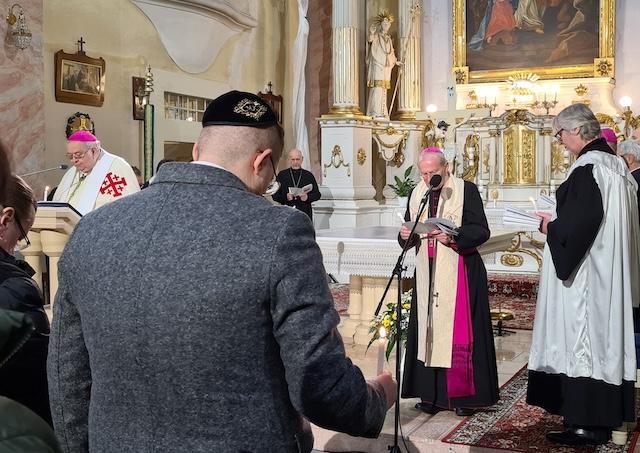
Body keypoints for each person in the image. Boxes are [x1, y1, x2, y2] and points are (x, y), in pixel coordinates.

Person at [48, 90, 395, 453]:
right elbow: (319, 385)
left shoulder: (92, 229)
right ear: (262, 162)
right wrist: (375, 398)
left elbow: (66, 377)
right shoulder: (278, 231)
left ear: (197, 150)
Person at [528, 104, 640, 446]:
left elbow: (580, 225)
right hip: (611, 274)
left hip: (588, 279)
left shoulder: (588, 168)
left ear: (576, 130)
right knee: (606, 344)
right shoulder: (617, 167)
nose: (560, 141)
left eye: (560, 134)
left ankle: (585, 425)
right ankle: (603, 419)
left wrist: (551, 226)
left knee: (583, 342)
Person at [400, 147, 499, 417]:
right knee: (429, 332)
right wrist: (405, 234)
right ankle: (431, 395)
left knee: (457, 331)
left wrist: (454, 237)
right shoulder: (417, 194)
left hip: (460, 270)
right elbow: (408, 233)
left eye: (432, 173)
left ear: (446, 167)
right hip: (428, 272)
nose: (427, 179)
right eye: (423, 174)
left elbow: (481, 230)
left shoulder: (466, 190)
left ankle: (462, 396)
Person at [0, 174, 51, 426]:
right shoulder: (16, 289)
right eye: (22, 236)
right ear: (5, 218)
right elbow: (34, 384)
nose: (18, 246)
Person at [53, 130, 140, 214]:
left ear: (94, 151)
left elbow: (129, 208)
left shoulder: (118, 167)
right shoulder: (71, 173)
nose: (74, 161)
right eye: (70, 156)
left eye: (78, 155)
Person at [366, 10, 399, 119]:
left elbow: (391, 52)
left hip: (386, 66)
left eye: (388, 24)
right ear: (381, 25)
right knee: (377, 87)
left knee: (384, 88)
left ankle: (383, 111)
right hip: (377, 64)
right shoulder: (377, 36)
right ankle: (375, 111)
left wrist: (396, 61)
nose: (386, 26)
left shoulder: (388, 39)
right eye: (384, 24)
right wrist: (371, 33)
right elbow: (370, 40)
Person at [272, 149, 321, 221]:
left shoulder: (308, 175)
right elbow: (275, 196)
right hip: (286, 214)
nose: (295, 162)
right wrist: (286, 197)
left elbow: (317, 195)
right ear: (289, 160)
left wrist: (307, 197)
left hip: (305, 213)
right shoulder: (282, 175)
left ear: (302, 159)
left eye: (297, 159)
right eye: (293, 159)